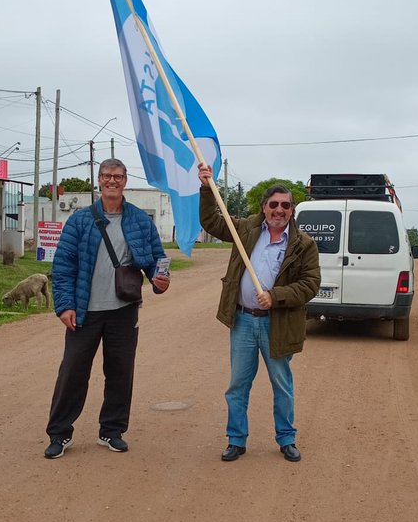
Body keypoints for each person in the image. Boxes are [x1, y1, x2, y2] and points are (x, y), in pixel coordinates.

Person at [44, 159, 169, 458]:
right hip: (84, 311)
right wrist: (64, 306)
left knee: (120, 372)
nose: (112, 181)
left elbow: (156, 259)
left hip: (124, 310)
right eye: (107, 176)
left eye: (118, 176)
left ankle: (111, 431)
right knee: (72, 372)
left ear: (125, 181)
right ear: (99, 181)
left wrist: (159, 280)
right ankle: (59, 434)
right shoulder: (80, 221)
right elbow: (63, 267)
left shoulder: (140, 220)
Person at [198, 163, 320, 463]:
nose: (279, 210)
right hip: (242, 320)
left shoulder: (304, 244)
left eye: (286, 205)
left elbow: (311, 284)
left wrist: (276, 297)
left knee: (282, 384)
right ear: (264, 207)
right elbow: (212, 221)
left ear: (292, 209)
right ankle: (236, 440)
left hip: (277, 324)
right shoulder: (246, 229)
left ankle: (286, 438)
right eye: (274, 204)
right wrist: (205, 187)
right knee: (238, 384)